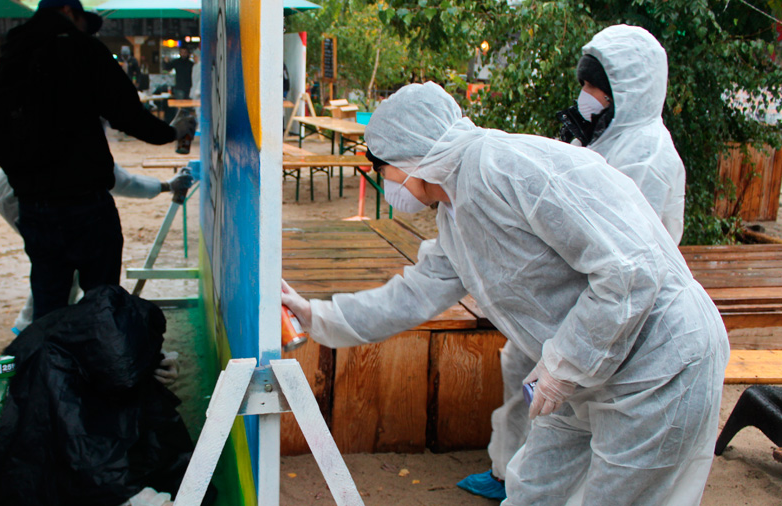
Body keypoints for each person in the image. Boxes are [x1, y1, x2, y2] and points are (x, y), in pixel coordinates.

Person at [281, 82, 728, 505]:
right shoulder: (456, 214)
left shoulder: (506, 167)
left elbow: (630, 271)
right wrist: (315, 314)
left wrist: (563, 364)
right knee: (534, 487)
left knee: (617, 496)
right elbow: (409, 297)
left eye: (384, 169)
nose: (387, 182)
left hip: (658, 361)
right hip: (585, 368)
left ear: (411, 154)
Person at [460, 25, 691, 501]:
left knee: (563, 403)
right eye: (584, 86)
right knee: (523, 374)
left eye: (597, 89)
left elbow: (626, 255)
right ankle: (507, 470)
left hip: (608, 305)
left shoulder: (648, 154)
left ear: (630, 92)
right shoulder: (603, 136)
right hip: (565, 298)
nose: (587, 97)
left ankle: (537, 481)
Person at [0, 0, 196, 321]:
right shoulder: (81, 50)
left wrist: (27, 177)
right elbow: (128, 115)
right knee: (102, 302)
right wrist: (170, 131)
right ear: (68, 11)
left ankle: (53, 366)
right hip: (86, 206)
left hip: (35, 207)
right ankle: (100, 367)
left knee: (50, 303)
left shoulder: (11, 57)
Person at [0, 164, 193, 333]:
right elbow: (120, 181)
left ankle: (38, 331)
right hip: (24, 195)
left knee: (60, 268)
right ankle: (30, 331)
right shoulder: (80, 135)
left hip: (30, 191)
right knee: (59, 268)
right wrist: (166, 185)